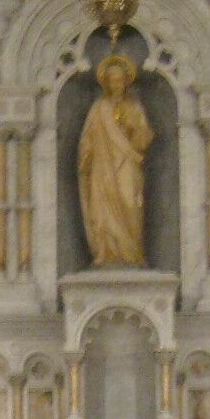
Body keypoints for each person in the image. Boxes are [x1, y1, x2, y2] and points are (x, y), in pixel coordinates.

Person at [76, 48, 153, 267]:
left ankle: (131, 253)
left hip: (127, 163)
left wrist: (131, 128)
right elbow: (87, 137)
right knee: (102, 208)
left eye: (120, 80)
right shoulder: (99, 108)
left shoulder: (134, 107)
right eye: (112, 81)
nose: (116, 85)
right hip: (102, 166)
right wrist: (86, 154)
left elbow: (144, 136)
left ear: (126, 82)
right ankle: (105, 251)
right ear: (106, 83)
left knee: (129, 203)